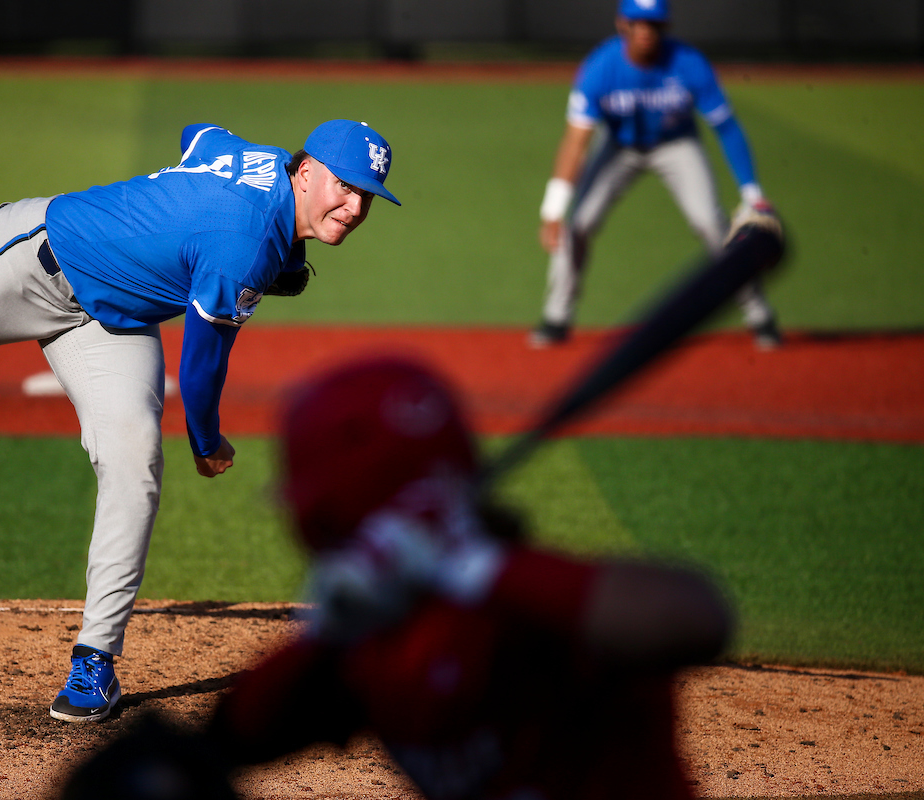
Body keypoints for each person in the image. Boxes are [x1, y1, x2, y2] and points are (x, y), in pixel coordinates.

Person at [0, 80, 400, 723]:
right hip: (30, 259)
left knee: (134, 460)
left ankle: (94, 662)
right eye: (345, 187)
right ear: (308, 173)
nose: (354, 208)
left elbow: (198, 137)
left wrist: (179, 207)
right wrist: (207, 443)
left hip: (106, 322)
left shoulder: (259, 161)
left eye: (366, 197)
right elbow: (201, 370)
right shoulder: (245, 247)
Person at [62, 357, 735, 800]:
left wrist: (465, 564)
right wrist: (329, 635)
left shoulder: (531, 611)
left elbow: (698, 616)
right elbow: (228, 740)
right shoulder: (371, 641)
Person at [533, 0, 782, 350]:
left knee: (712, 224)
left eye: (653, 23)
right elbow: (576, 141)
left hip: (677, 145)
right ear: (622, 24)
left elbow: (726, 127)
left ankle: (760, 315)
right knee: (577, 225)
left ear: (665, 27)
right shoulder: (601, 68)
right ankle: (556, 318)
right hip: (619, 147)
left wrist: (751, 191)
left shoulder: (688, 63)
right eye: (638, 23)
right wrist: (553, 209)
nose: (645, 31)